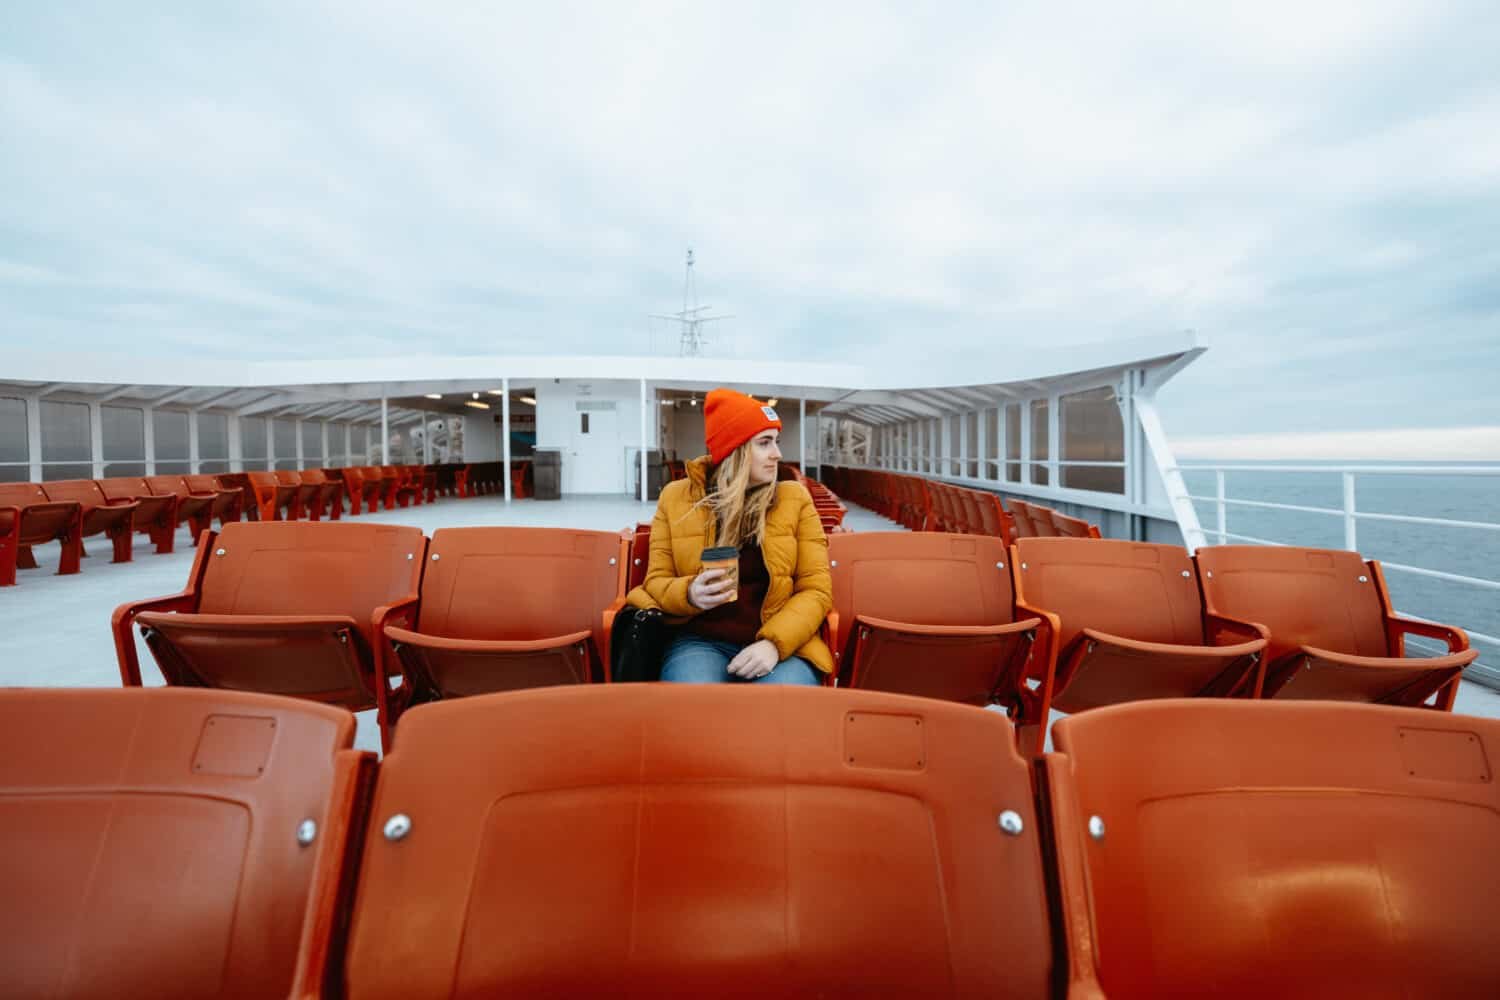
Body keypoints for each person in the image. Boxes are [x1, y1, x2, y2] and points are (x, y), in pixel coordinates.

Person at [626, 388, 833, 684]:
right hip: (699, 640)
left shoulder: (794, 499)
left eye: (776, 442)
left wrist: (774, 643)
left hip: (782, 642)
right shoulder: (675, 499)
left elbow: (816, 590)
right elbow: (656, 582)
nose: (778, 453)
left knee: (783, 705)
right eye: (765, 443)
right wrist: (689, 593)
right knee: (694, 700)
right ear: (734, 450)